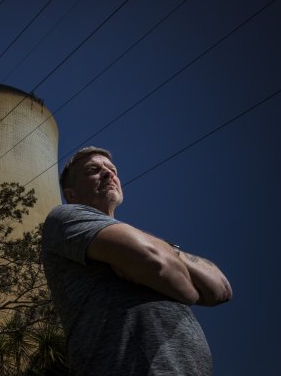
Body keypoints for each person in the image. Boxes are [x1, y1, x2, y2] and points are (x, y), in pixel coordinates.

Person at [41, 146, 232, 375]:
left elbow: (221, 288)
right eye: (93, 170)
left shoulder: (143, 239)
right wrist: (187, 285)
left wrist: (168, 253)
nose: (108, 173)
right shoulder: (64, 218)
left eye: (112, 169)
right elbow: (156, 263)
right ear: (71, 195)